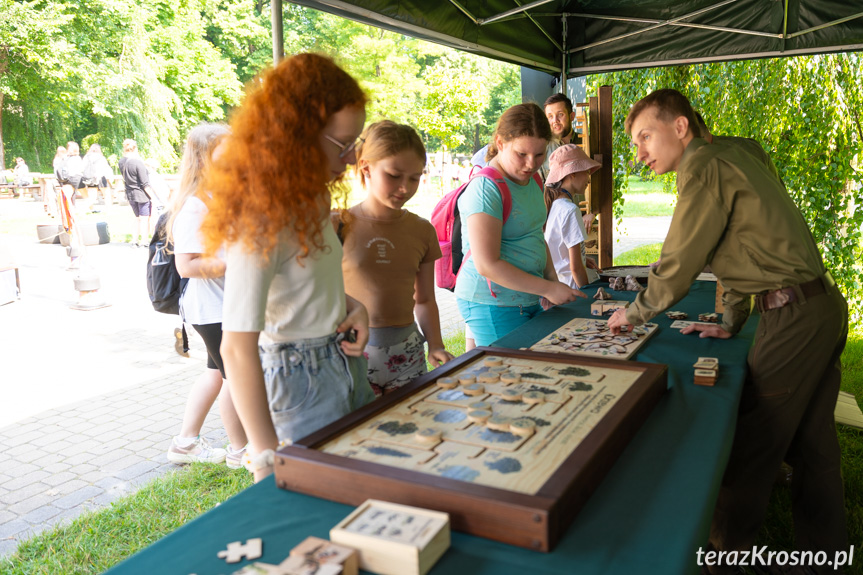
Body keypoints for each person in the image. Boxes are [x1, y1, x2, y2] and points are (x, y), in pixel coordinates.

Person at [608, 88, 848, 574]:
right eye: (635, 144)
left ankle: (723, 560)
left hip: (793, 318)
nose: (640, 153)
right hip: (822, 304)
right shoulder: (738, 151)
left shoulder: (701, 168)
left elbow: (679, 262)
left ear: (680, 128)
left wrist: (632, 313)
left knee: (751, 450)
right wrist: (731, 321)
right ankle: (825, 556)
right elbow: (740, 243)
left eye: (645, 137)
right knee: (813, 444)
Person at [203, 53, 376, 483]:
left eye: (357, 142)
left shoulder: (314, 197)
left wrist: (353, 307)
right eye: (343, 144)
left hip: (341, 361)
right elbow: (235, 347)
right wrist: (265, 458)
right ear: (297, 137)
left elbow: (307, 284)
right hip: (300, 377)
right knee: (323, 500)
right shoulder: (261, 219)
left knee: (359, 486)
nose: (353, 157)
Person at [454, 103, 586, 347]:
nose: (530, 164)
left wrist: (551, 281)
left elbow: (536, 234)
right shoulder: (485, 189)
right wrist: (546, 287)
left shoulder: (534, 179)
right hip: (492, 302)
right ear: (500, 143)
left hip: (527, 297)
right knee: (508, 375)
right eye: (521, 154)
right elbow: (487, 264)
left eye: (539, 155)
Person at [339, 120, 454, 396]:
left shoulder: (421, 229)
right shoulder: (338, 226)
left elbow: (425, 299)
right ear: (366, 167)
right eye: (393, 175)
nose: (405, 187)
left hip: (408, 354)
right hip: (351, 353)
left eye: (414, 178)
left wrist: (435, 344)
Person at [165, 123, 248, 468]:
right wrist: (242, 259)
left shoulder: (221, 198)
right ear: (203, 160)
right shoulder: (196, 206)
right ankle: (240, 451)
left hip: (224, 306)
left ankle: (185, 443)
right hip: (213, 309)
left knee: (216, 372)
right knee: (236, 377)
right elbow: (186, 265)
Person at [543, 144, 601, 289]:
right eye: (586, 172)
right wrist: (587, 297)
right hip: (572, 291)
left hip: (559, 288)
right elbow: (576, 269)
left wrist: (582, 259)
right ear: (572, 174)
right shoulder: (570, 211)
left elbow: (559, 253)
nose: (589, 179)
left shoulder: (555, 205)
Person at [119, 139, 155, 246]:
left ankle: (134, 240)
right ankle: (144, 241)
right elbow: (145, 183)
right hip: (141, 194)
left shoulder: (121, 162)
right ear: (136, 149)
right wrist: (153, 197)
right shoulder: (138, 163)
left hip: (130, 193)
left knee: (137, 218)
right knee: (144, 219)